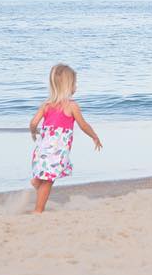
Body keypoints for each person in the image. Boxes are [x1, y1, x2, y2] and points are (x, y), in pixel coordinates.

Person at [28, 64, 102, 213]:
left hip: (42, 149)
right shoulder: (72, 106)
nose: (76, 86)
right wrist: (94, 136)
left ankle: (37, 182)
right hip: (56, 152)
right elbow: (83, 125)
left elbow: (33, 123)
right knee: (48, 181)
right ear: (68, 86)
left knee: (45, 178)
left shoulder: (46, 105)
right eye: (74, 83)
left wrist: (33, 132)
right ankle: (38, 210)